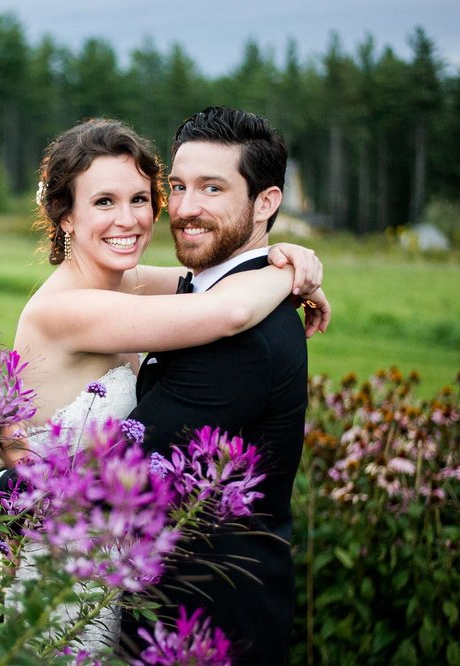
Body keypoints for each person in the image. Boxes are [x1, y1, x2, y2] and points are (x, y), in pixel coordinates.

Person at [0, 117, 329, 654]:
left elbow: (207, 286)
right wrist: (290, 276)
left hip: (178, 607)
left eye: (142, 198)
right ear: (64, 216)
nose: (129, 219)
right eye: (103, 201)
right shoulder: (68, 309)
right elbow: (230, 306)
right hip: (65, 576)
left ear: (265, 201)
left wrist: (289, 258)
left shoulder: (133, 284)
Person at [116, 106, 314, 665]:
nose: (184, 209)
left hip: (206, 629)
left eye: (211, 188)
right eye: (177, 187)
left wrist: (8, 484)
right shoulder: (215, 294)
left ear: (266, 202)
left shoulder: (242, 335)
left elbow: (129, 465)